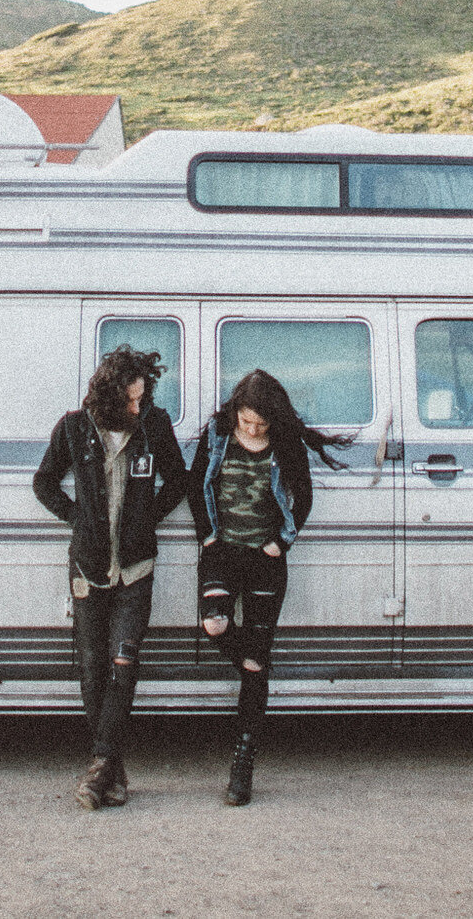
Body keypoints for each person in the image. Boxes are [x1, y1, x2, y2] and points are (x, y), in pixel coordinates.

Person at [32, 344, 189, 810]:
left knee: (124, 664)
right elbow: (43, 482)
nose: (139, 408)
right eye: (131, 400)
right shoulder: (74, 428)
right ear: (108, 396)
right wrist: (77, 518)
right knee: (93, 666)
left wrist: (148, 519)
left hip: (136, 568)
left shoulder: (154, 427)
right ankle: (113, 773)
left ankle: (99, 765)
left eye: (143, 398)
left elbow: (178, 481)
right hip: (88, 568)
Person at [185, 369, 353, 805]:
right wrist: (207, 533)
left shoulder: (285, 443)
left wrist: (283, 542)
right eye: (247, 420)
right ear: (236, 410)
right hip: (223, 552)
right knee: (215, 626)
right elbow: (194, 483)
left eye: (260, 422)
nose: (253, 428)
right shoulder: (219, 434)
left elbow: (304, 497)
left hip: (264, 560)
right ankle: (257, 664)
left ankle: (243, 764)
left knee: (256, 664)